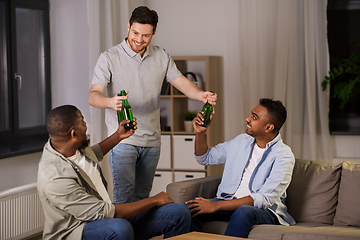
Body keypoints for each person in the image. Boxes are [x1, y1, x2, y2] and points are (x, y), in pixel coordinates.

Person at [88, 6, 217, 204]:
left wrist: (201, 95)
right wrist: (110, 102)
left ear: (154, 33)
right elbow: (93, 96)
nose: (139, 40)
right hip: (123, 140)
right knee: (123, 199)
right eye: (135, 33)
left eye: (146, 35)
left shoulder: (161, 56)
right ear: (128, 26)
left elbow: (182, 83)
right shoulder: (109, 57)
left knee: (142, 199)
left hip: (152, 141)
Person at [37, 105, 191, 240]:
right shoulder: (54, 177)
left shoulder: (70, 147)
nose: (86, 125)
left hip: (105, 217)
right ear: (74, 134)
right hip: (77, 231)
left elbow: (93, 155)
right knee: (119, 228)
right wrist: (154, 200)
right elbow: (106, 212)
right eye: (83, 122)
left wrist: (118, 136)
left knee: (179, 212)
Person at [186, 98, 296, 238]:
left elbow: (263, 199)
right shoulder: (241, 141)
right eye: (251, 114)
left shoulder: (284, 155)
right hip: (227, 201)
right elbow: (205, 157)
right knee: (188, 210)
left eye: (254, 117)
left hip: (264, 211)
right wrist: (200, 132)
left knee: (244, 211)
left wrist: (215, 206)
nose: (247, 119)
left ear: (268, 127)